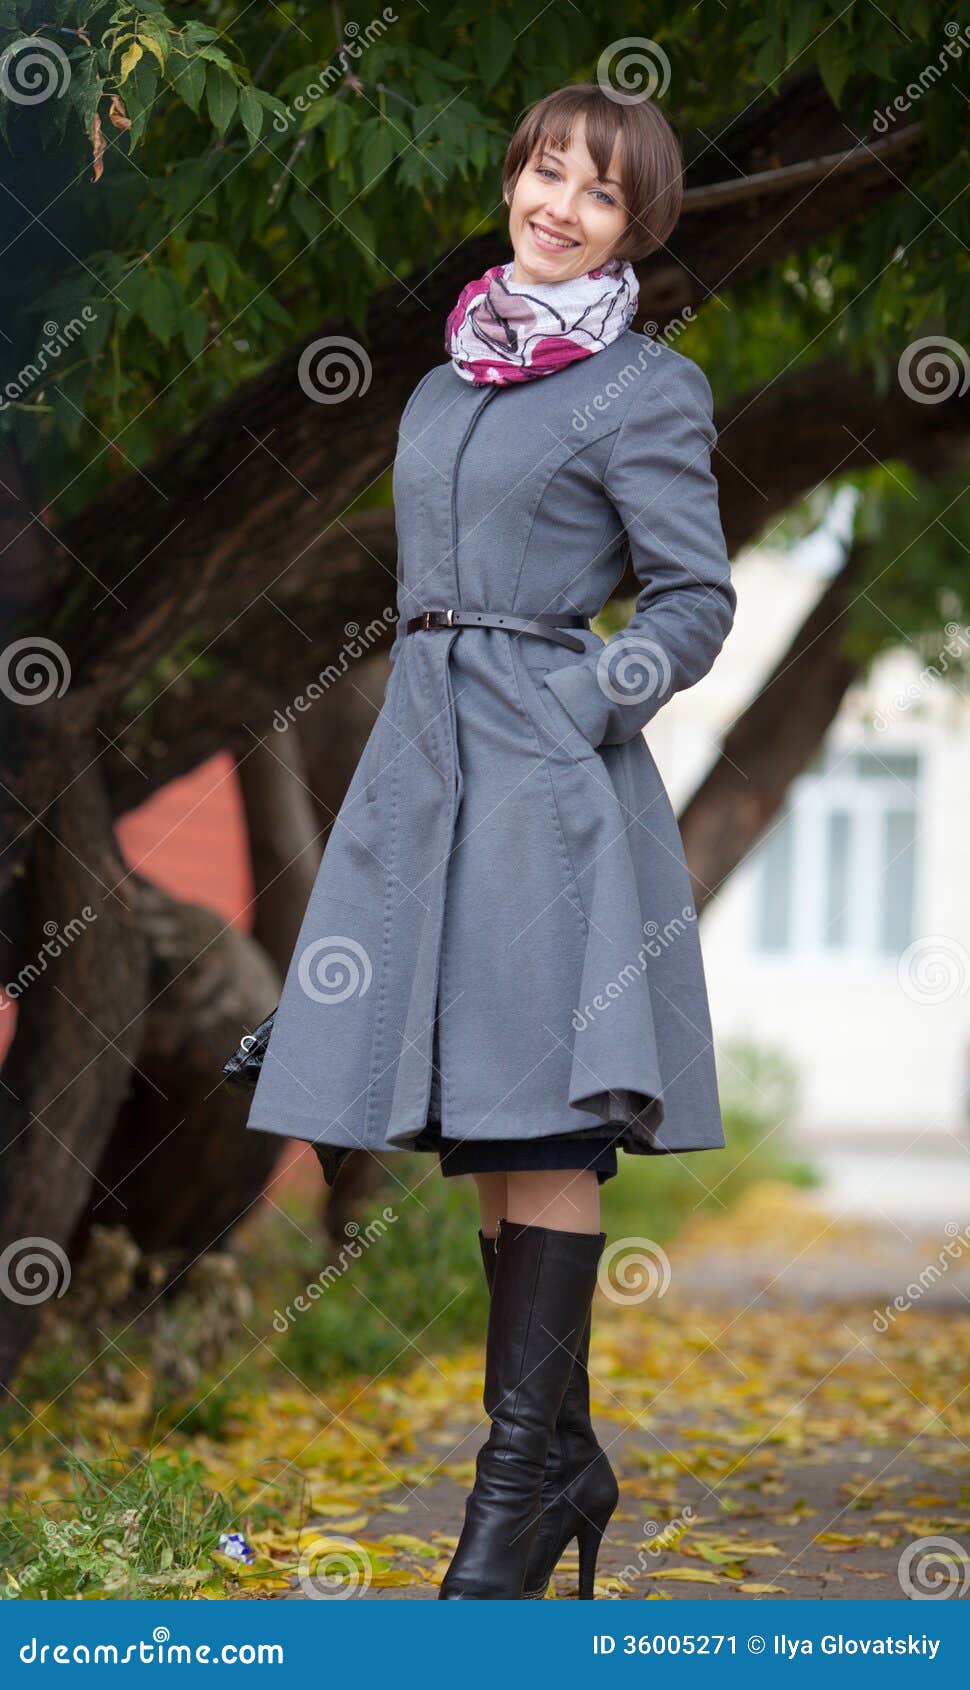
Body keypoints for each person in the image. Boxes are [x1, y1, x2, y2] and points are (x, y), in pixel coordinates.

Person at [244, 81, 736, 1600]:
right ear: (511, 182)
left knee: (545, 1118)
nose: (556, 203)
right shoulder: (446, 377)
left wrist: (580, 702)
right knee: (480, 1117)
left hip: (547, 778)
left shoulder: (646, 387)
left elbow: (693, 603)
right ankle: (552, 1457)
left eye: (595, 191)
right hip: (426, 774)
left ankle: (519, 1479)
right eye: (541, 172)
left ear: (630, 223)